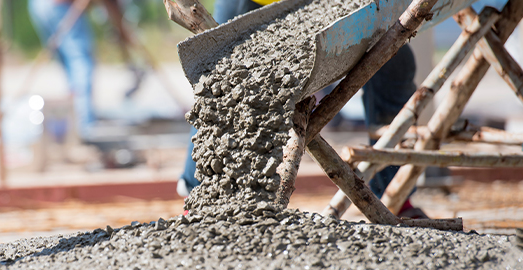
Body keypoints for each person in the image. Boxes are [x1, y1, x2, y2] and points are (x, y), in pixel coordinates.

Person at [176, 0, 427, 218]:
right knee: (222, 83)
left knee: (394, 68)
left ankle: (397, 195)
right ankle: (200, 196)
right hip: (255, 2)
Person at [28, 0, 96, 141]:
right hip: (59, 4)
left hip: (39, 5)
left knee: (69, 62)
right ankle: (83, 126)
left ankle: (74, 121)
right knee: (79, 61)